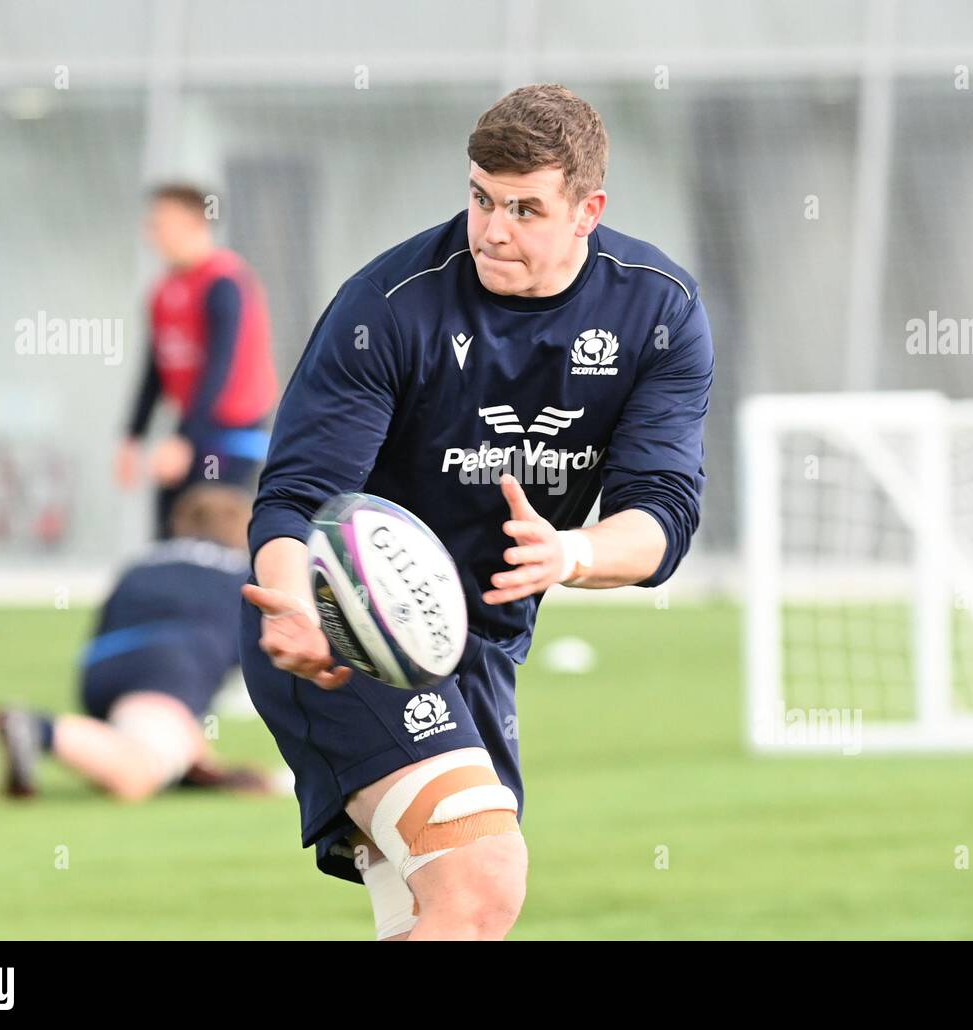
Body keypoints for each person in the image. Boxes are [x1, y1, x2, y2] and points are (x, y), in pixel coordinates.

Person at [239, 84, 714, 940]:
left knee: (448, 916)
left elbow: (663, 515)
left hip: (482, 646)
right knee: (484, 877)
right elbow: (293, 500)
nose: (494, 228)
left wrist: (568, 553)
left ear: (587, 212)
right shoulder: (389, 308)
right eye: (481, 198)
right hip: (346, 636)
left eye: (527, 208)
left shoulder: (657, 313)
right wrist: (297, 605)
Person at [0, 485, 272, 800]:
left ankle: (188, 761)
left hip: (101, 670)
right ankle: (38, 729)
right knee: (137, 775)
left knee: (151, 734)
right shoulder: (242, 573)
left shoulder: (142, 562)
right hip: (169, 669)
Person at [115, 184, 278, 538]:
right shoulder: (162, 291)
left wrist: (183, 441)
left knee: (211, 532)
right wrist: (133, 436)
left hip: (227, 437)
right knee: (169, 530)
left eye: (161, 222)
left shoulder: (225, 283)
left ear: (194, 223)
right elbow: (155, 370)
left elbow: (220, 368)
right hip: (190, 431)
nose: (151, 232)